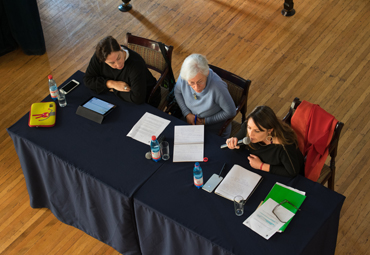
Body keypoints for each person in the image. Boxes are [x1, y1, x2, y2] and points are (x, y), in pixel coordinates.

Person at [226, 106, 304, 177]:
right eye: (249, 128)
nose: (250, 134)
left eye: (257, 131)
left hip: (277, 173)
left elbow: (292, 172)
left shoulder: (284, 145)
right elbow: (239, 147)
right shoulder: (249, 127)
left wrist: (261, 166)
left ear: (270, 130)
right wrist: (233, 144)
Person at [84, 36, 161, 107]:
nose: (118, 65)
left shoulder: (136, 64)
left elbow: (137, 98)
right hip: (121, 98)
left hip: (146, 99)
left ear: (120, 47)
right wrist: (112, 84)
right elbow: (87, 80)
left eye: (118, 58)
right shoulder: (99, 57)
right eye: (112, 63)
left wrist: (111, 89)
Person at [174, 54, 236, 138]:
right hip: (190, 121)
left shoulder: (217, 87)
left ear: (206, 73)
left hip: (213, 129)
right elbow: (177, 92)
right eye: (191, 83)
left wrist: (205, 121)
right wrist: (187, 113)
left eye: (200, 81)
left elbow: (231, 112)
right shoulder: (184, 76)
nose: (196, 87)